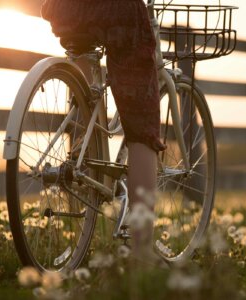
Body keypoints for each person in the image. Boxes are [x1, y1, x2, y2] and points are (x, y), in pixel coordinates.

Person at [41, 0, 166, 264]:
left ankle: (85, 164)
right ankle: (142, 254)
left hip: (65, 9)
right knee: (142, 127)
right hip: (118, 10)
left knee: (84, 96)